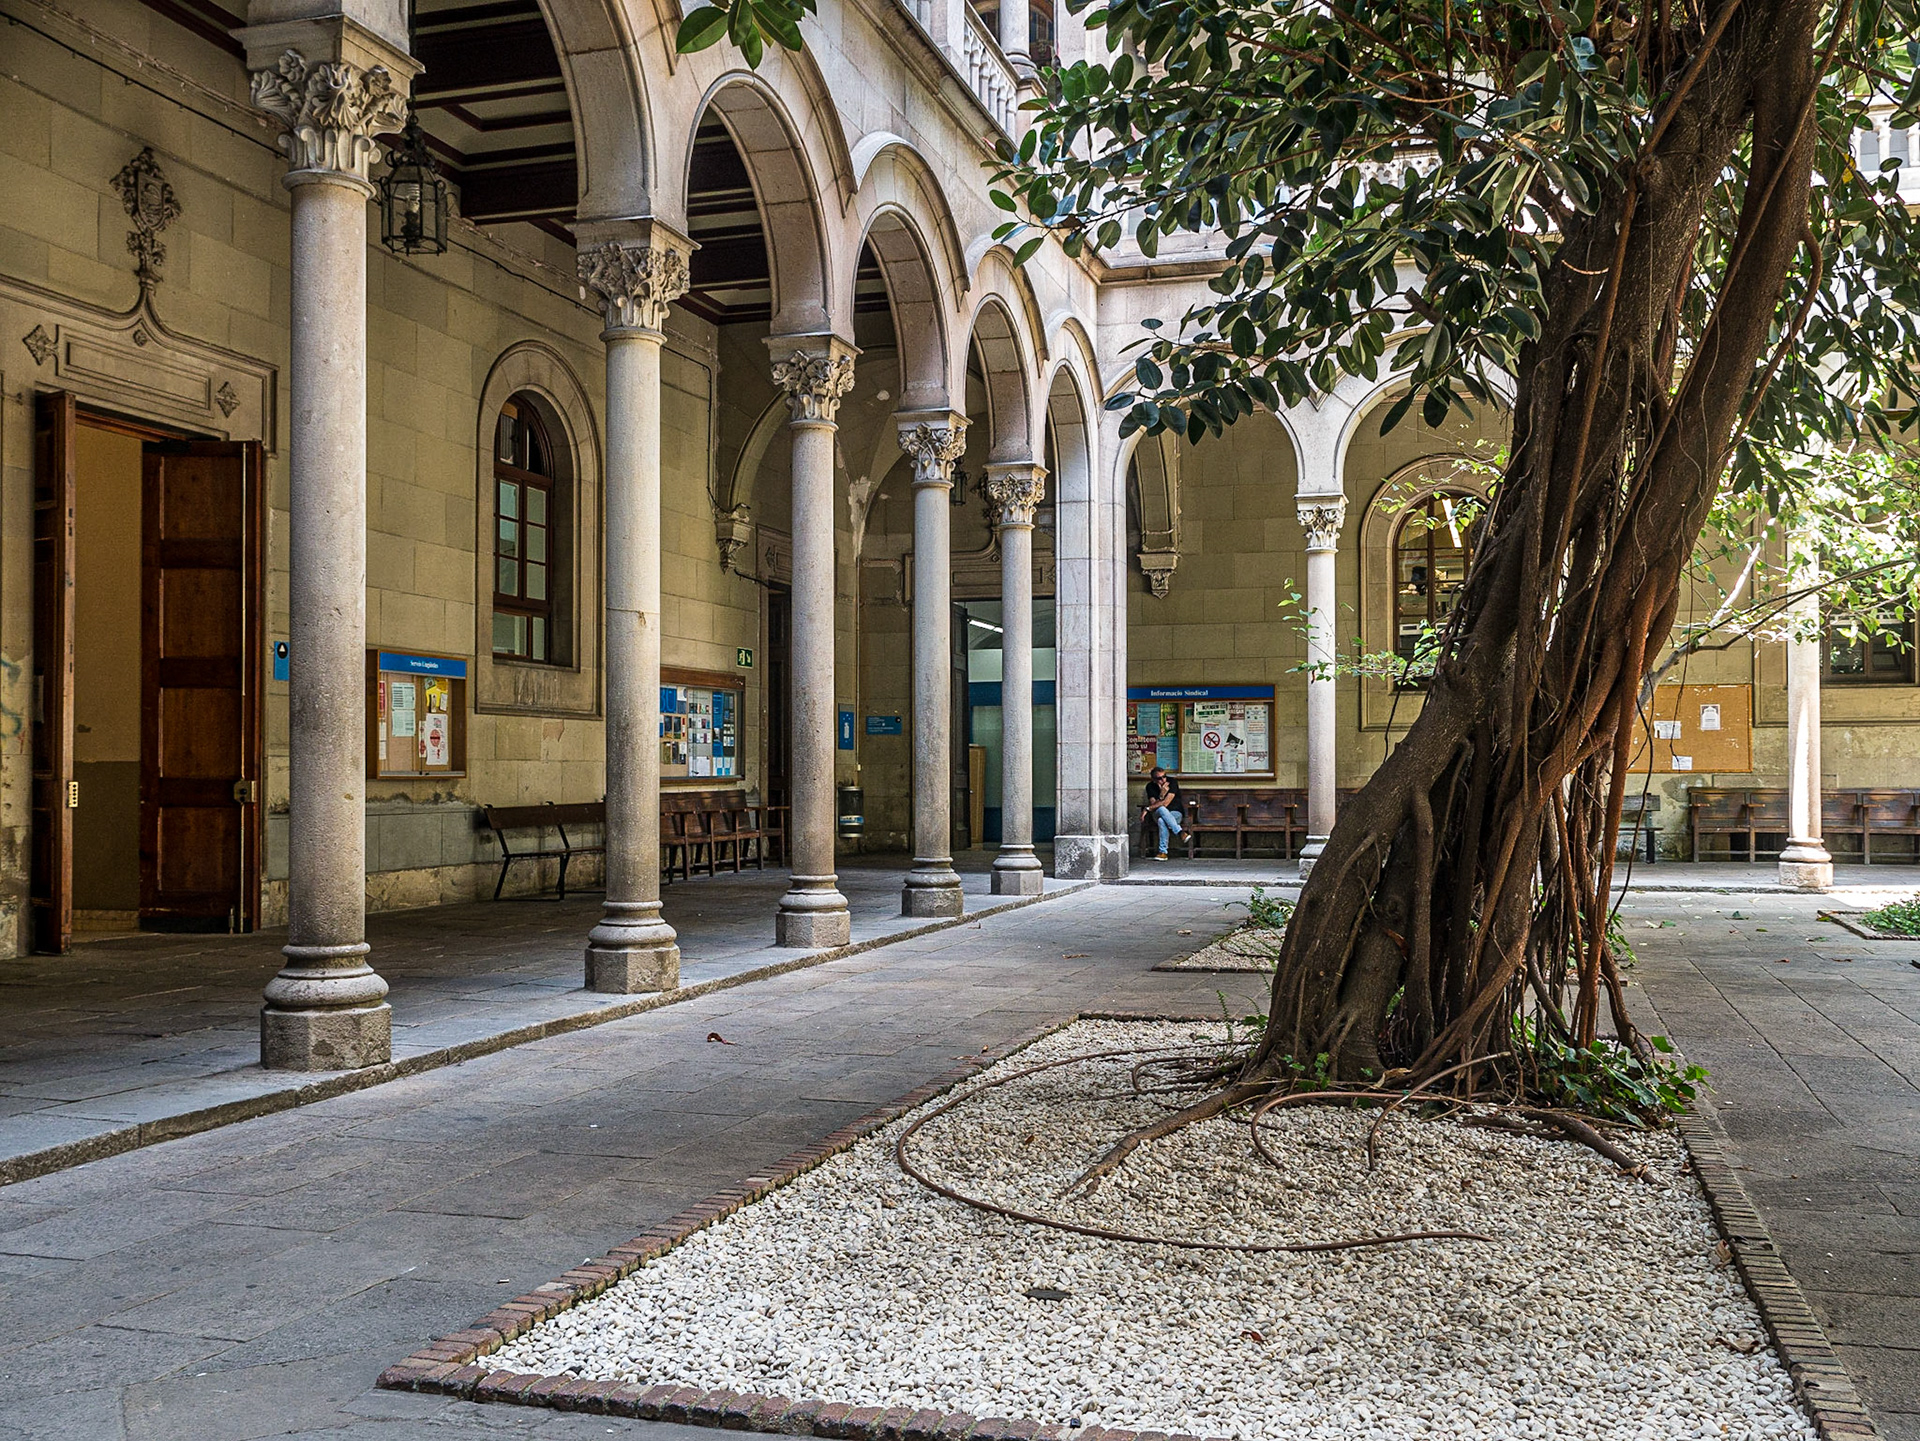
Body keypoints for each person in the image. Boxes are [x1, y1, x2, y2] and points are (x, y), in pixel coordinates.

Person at [1141, 767, 1186, 859]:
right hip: (1158, 813)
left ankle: (1163, 852)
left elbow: (1166, 803)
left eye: (1164, 776)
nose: (1163, 780)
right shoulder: (1150, 786)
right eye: (1159, 778)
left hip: (1175, 814)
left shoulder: (1172, 782)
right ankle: (1180, 832)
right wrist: (1161, 795)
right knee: (1161, 809)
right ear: (1153, 780)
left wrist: (1147, 809)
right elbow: (1155, 805)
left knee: (1162, 820)